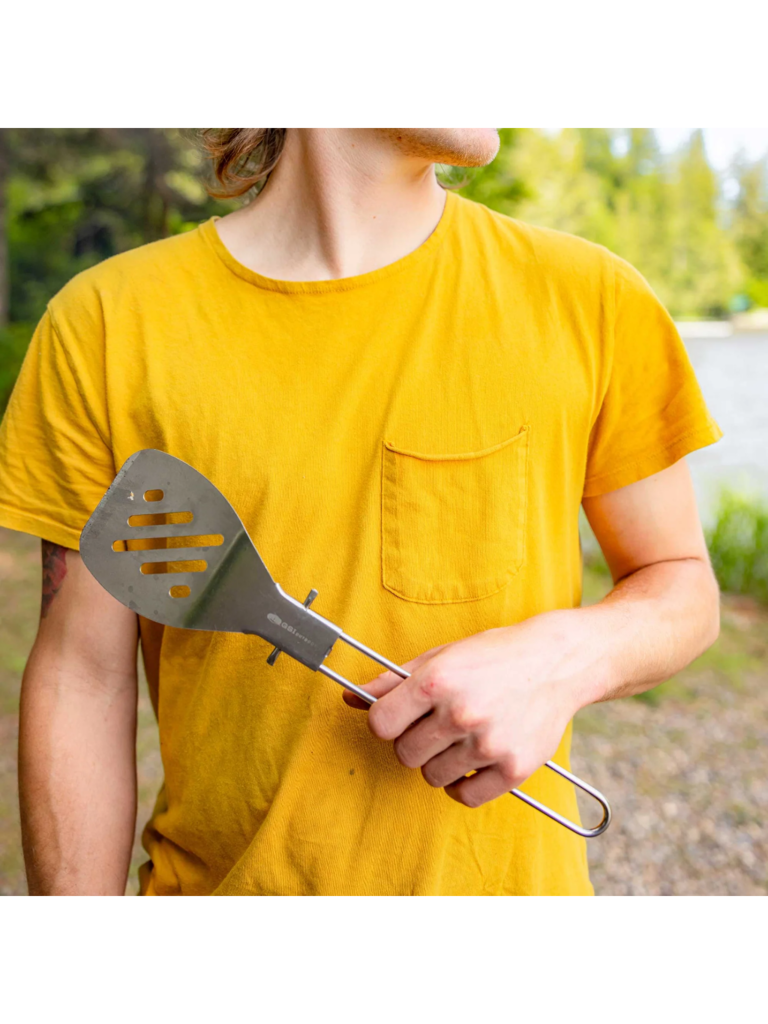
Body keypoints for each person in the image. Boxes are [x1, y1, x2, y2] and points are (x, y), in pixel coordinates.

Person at [0, 126, 722, 898]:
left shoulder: (589, 299)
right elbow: (82, 676)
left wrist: (560, 659)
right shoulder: (107, 325)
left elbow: (681, 584)